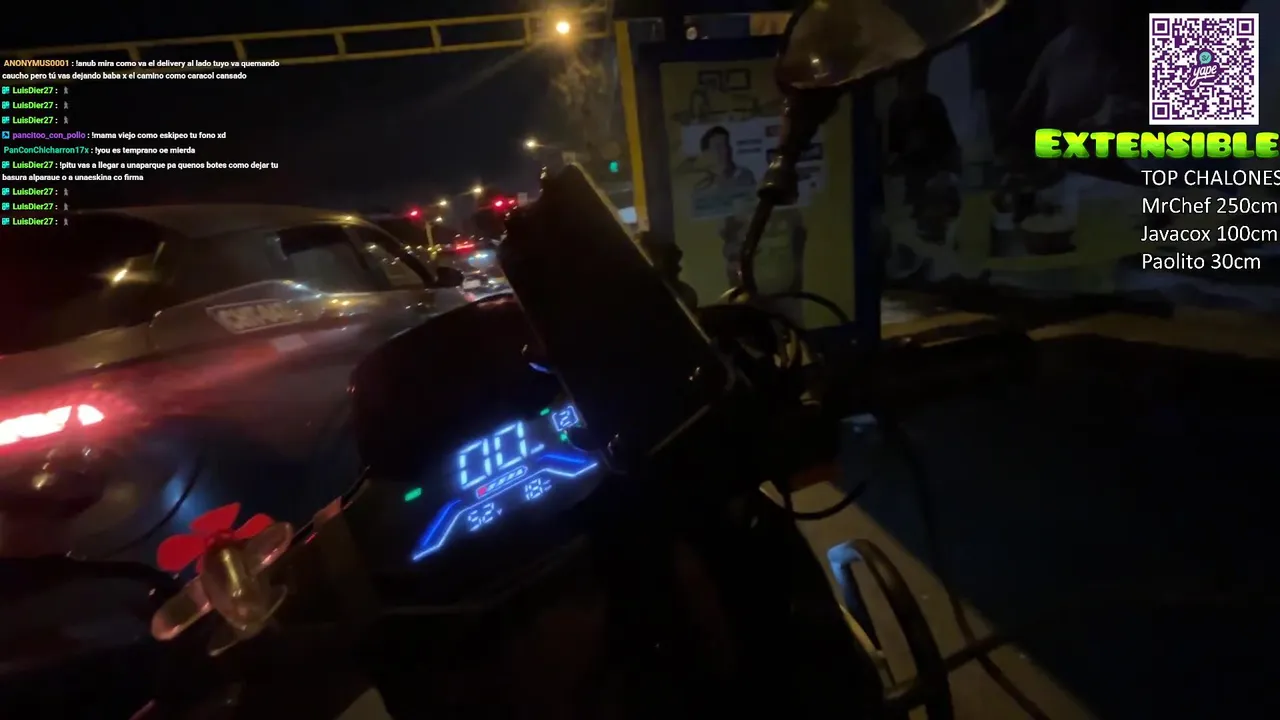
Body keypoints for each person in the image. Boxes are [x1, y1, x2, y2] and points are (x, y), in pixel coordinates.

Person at [697, 126, 756, 193]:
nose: (725, 150)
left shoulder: (745, 176)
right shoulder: (701, 185)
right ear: (706, 153)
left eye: (726, 145)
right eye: (718, 147)